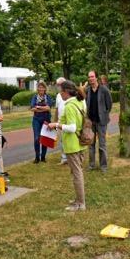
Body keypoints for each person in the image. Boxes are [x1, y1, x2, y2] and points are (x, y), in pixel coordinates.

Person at [48, 80, 88, 212]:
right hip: (81, 142)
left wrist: (56, 125)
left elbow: (72, 127)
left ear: (66, 92)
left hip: (73, 144)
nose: (60, 94)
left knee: (77, 174)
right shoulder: (80, 102)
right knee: (77, 172)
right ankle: (78, 199)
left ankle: (81, 203)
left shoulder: (70, 105)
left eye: (61, 91)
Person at [85, 70, 112, 172]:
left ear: (96, 78)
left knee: (102, 145)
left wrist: (104, 114)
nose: (90, 78)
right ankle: (91, 165)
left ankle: (103, 166)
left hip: (101, 122)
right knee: (91, 145)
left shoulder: (104, 90)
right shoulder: (88, 90)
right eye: (89, 77)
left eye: (92, 76)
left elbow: (109, 104)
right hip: (91, 122)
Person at [30, 81, 52, 163]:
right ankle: (37, 157)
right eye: (39, 87)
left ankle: (43, 157)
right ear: (37, 89)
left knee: (44, 138)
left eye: (42, 87)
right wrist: (43, 108)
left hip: (46, 119)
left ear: (45, 88)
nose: (41, 89)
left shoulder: (48, 97)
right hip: (36, 120)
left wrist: (38, 107)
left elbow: (49, 108)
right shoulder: (34, 97)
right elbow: (32, 108)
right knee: (37, 138)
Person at [54, 77, 68, 165]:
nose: (58, 86)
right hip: (60, 121)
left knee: (69, 140)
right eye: (57, 85)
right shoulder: (58, 95)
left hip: (68, 121)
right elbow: (56, 109)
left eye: (59, 84)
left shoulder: (69, 94)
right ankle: (64, 158)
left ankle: (70, 157)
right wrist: (55, 121)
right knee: (62, 141)